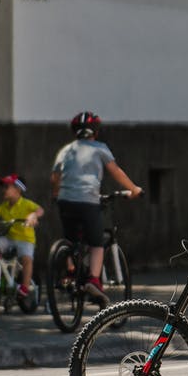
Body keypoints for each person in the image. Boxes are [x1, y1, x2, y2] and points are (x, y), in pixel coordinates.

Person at [50, 111, 143, 307]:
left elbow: (55, 177)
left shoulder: (66, 150)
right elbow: (115, 171)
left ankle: (70, 272)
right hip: (88, 200)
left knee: (71, 239)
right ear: (96, 132)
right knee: (96, 242)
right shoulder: (100, 148)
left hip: (65, 200)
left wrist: (57, 194)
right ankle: (93, 279)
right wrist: (133, 189)